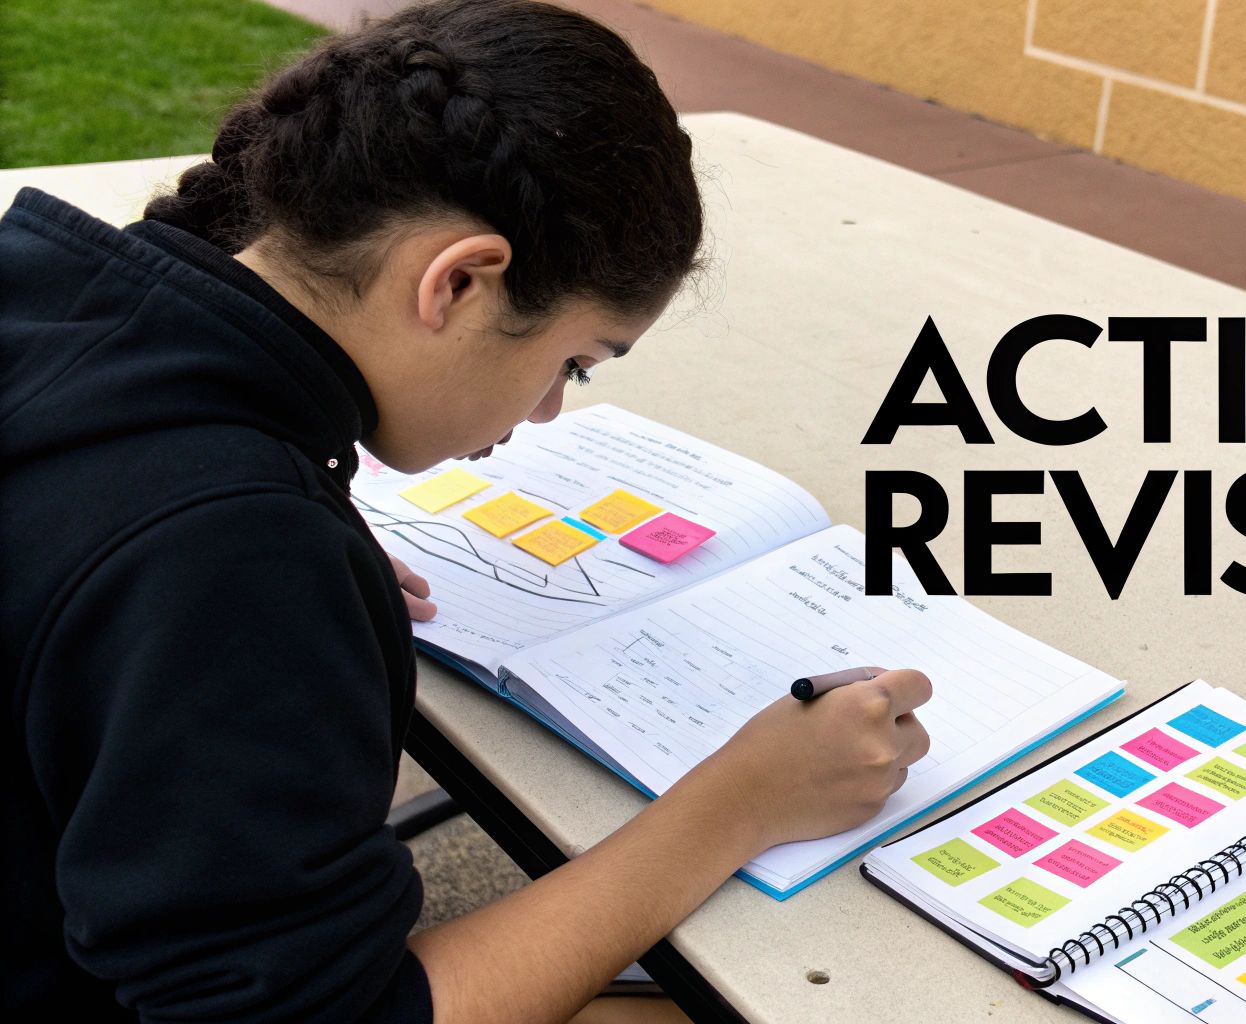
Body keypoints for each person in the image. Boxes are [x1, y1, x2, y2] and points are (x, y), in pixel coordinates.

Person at [0, 1, 932, 1020]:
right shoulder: (234, 557)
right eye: (573, 362)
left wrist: (279, 546)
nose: (546, 410)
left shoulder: (50, 291)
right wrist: (740, 803)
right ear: (457, 283)